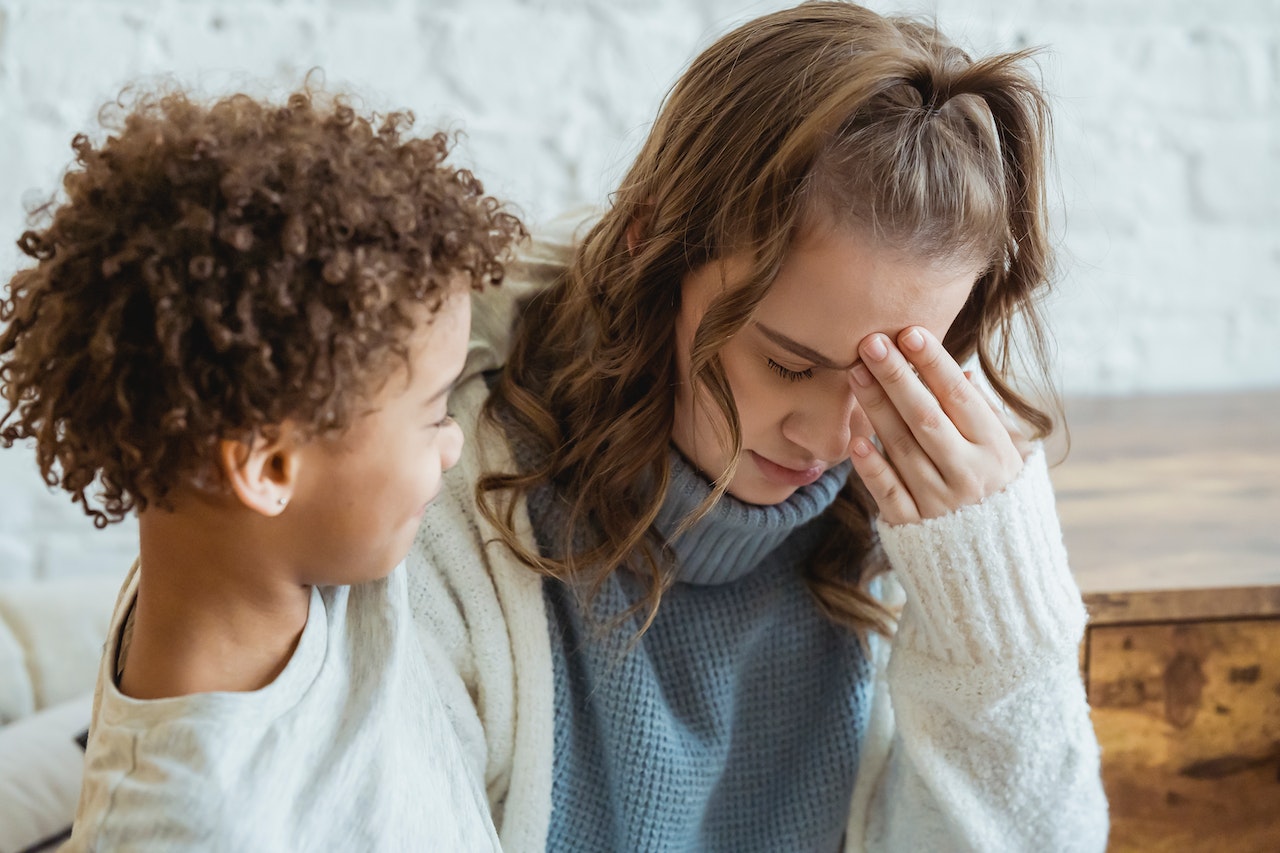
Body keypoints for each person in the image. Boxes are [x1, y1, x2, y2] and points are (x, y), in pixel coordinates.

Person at [408, 2, 1109, 851]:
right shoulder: (449, 501)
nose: (833, 440)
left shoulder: (926, 523)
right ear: (650, 245)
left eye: (892, 378)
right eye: (788, 364)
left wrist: (994, 613)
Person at [0, 84, 523, 850]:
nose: (455, 443)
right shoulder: (192, 824)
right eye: (435, 414)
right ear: (269, 467)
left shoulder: (285, 548)